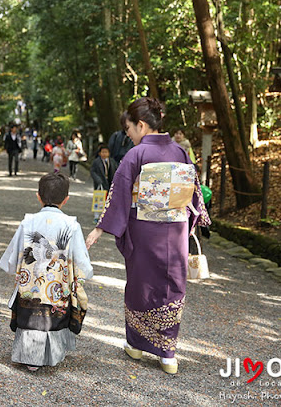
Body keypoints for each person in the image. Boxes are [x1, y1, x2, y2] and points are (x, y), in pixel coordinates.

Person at [85, 97, 210, 375]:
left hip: (144, 230)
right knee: (172, 284)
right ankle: (168, 354)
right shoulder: (180, 152)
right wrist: (191, 222)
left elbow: (118, 195)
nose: (127, 134)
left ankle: (137, 345)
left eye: (129, 128)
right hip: (175, 231)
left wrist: (99, 228)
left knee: (141, 284)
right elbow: (193, 194)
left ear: (141, 125)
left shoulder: (136, 155)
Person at [0, 173, 92, 371]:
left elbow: (14, 255)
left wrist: (13, 268)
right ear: (66, 199)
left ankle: (29, 357)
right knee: (54, 317)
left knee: (29, 315)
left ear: (38, 196)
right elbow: (81, 261)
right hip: (57, 285)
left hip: (30, 284)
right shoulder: (71, 225)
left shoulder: (28, 222)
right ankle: (51, 355)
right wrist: (83, 273)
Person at [90, 145, 117, 223]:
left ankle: (106, 216)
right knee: (98, 200)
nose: (104, 154)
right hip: (100, 183)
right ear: (99, 153)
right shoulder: (96, 162)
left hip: (109, 183)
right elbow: (92, 171)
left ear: (109, 153)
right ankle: (96, 216)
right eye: (103, 152)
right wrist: (97, 180)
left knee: (109, 200)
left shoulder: (112, 161)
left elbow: (116, 170)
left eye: (106, 152)